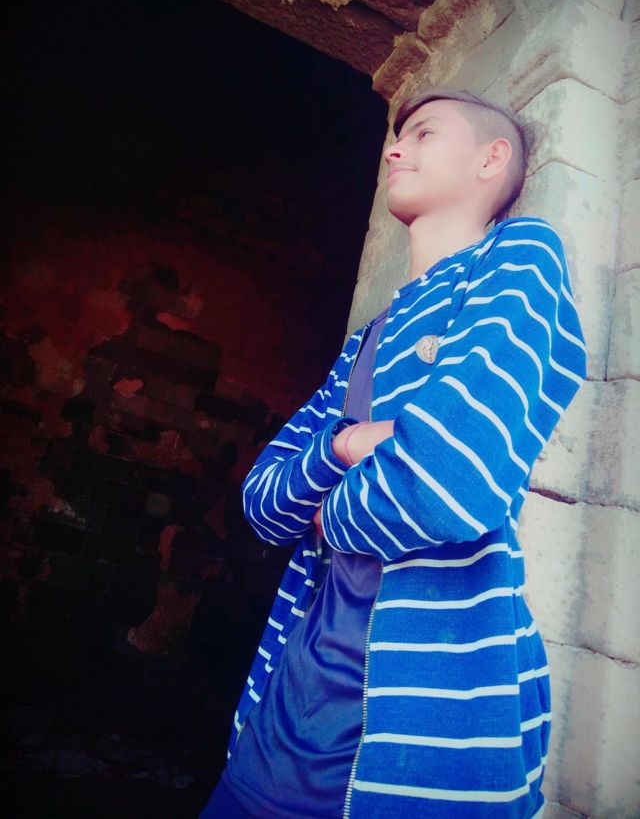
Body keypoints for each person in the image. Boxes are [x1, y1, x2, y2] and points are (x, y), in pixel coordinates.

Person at [198, 87, 587, 818]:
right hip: (271, 738)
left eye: (423, 132)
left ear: (491, 159)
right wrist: (352, 441)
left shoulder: (519, 255)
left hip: (428, 751)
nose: (393, 149)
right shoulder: (365, 340)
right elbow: (261, 502)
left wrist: (326, 514)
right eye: (395, 137)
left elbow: (447, 482)